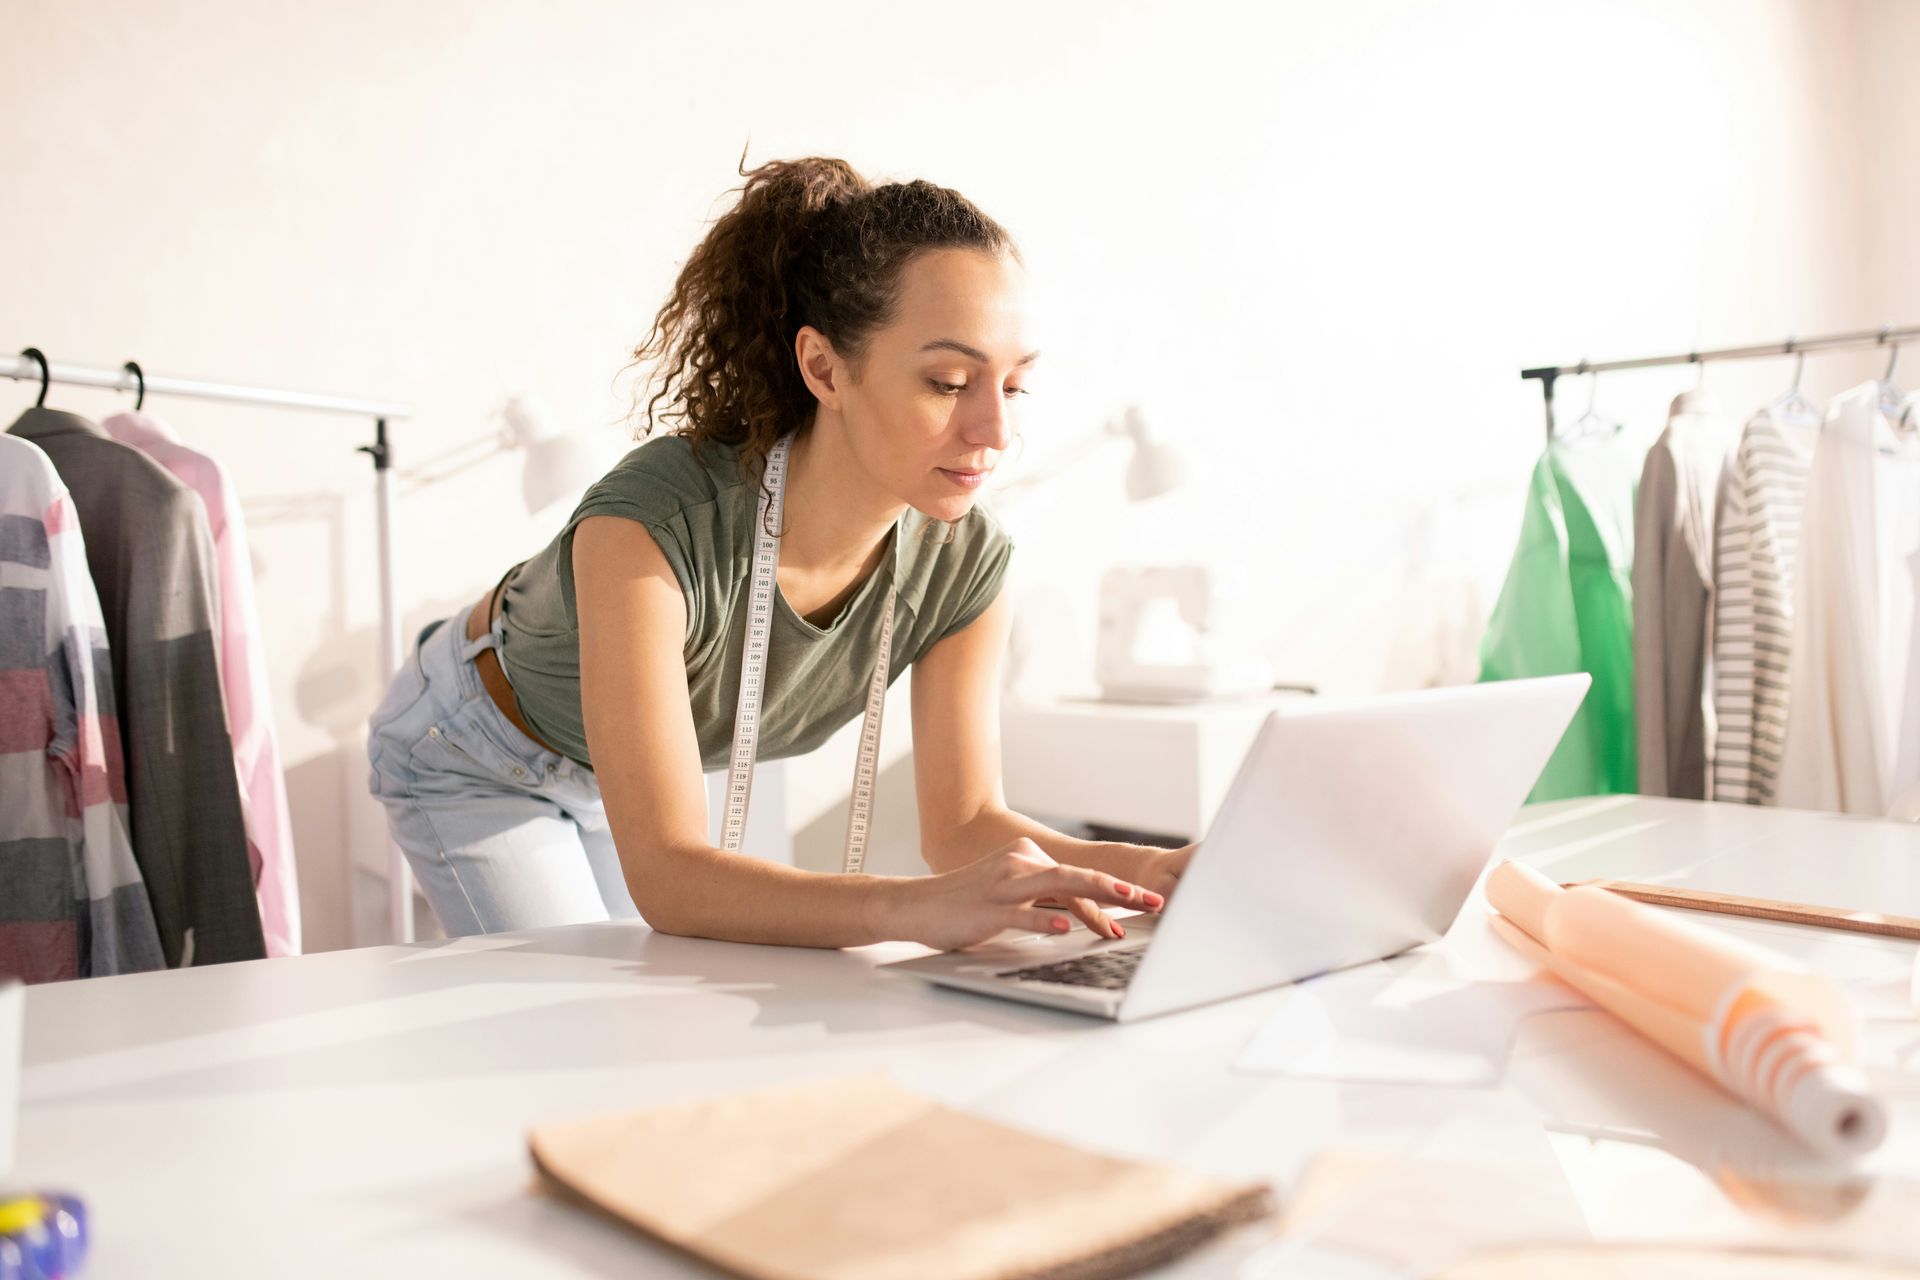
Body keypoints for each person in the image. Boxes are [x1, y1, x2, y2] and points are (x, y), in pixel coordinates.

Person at [367, 154, 1194, 950]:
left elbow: (964, 825)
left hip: (621, 786)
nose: (997, 432)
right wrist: (916, 911)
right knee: (588, 1024)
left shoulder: (965, 564)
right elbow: (671, 877)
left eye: (1012, 386)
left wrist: (1161, 871)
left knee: (660, 1012)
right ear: (824, 368)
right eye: (948, 382)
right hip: (477, 749)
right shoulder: (654, 524)